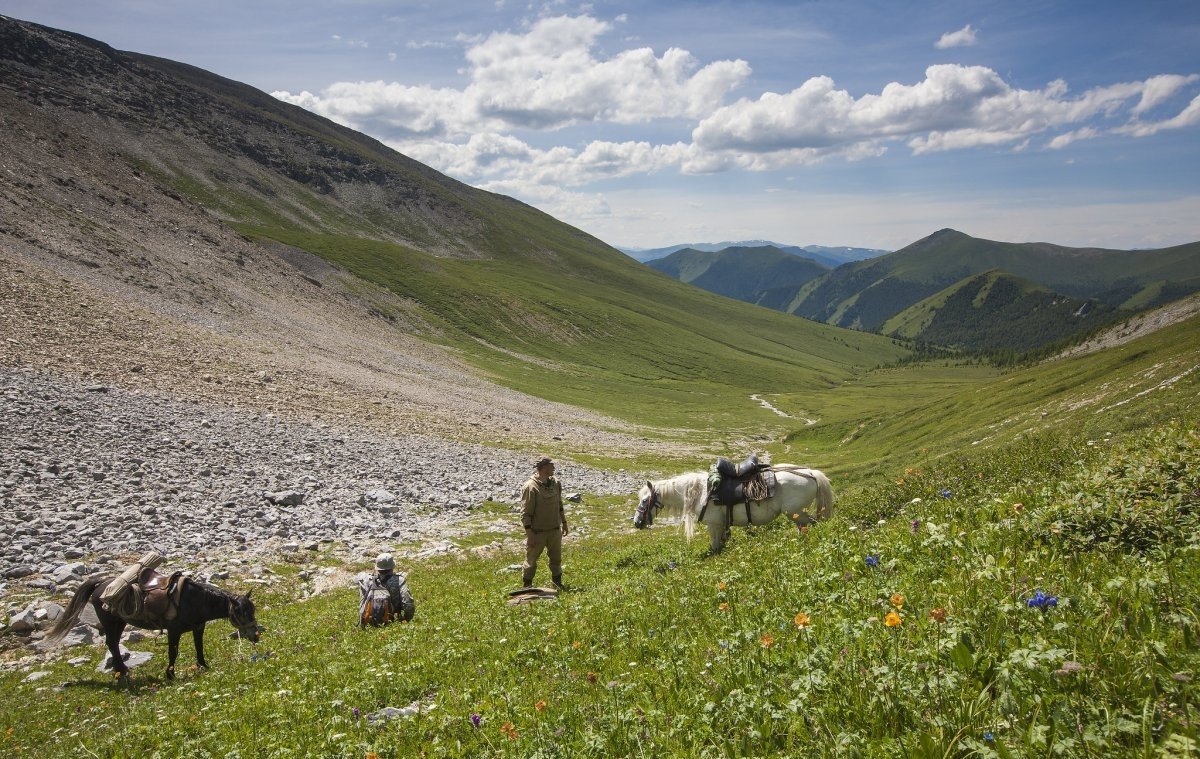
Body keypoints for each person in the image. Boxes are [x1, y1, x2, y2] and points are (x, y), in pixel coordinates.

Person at [520, 456, 569, 589]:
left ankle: (557, 584)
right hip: (537, 532)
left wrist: (564, 522)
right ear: (544, 467)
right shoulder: (531, 487)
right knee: (531, 561)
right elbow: (525, 513)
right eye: (551, 465)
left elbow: (559, 504)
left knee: (556, 560)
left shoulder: (556, 483)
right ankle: (527, 586)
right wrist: (529, 534)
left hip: (554, 530)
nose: (554, 467)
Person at [357, 553, 415, 624]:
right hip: (392, 620)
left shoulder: (367, 580)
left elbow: (359, 576)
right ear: (392, 567)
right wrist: (407, 619)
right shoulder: (399, 580)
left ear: (377, 567)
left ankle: (363, 620)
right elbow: (408, 602)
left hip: (370, 621)